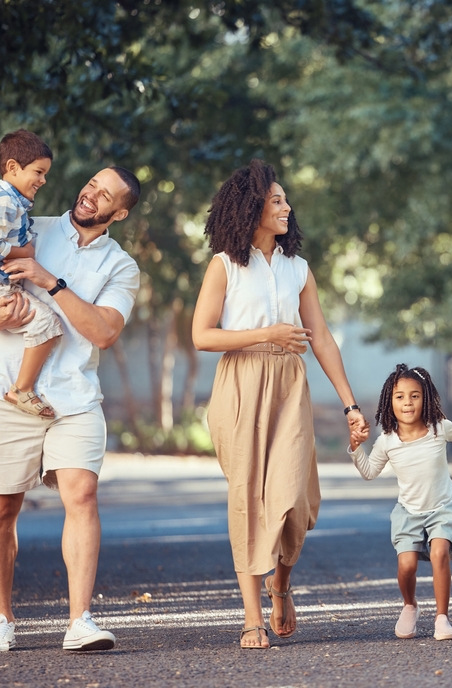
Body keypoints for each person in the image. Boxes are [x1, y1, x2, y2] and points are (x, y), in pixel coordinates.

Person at [0, 166, 143, 652]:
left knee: (81, 495)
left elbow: (103, 330)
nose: (90, 195)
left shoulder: (121, 267)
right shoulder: (27, 226)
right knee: (1, 507)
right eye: (91, 185)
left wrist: (49, 281)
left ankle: (80, 620)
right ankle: (2, 620)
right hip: (6, 388)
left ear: (118, 213)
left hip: (74, 397)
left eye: (105, 196)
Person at [191, 160, 369, 650]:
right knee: (248, 498)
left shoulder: (298, 268)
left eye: (286, 199)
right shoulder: (225, 265)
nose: (287, 207)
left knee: (297, 502)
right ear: (251, 208)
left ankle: (281, 584)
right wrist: (266, 333)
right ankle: (251, 618)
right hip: (241, 383)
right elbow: (202, 335)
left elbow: (323, 339)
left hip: (291, 385)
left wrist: (351, 405)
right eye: (276, 200)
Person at [347, 363, 452, 641]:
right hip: (408, 512)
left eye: (415, 395)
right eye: (400, 397)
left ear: (426, 399)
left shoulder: (438, 428)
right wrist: (355, 446)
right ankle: (410, 605)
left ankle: (442, 618)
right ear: (390, 402)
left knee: (439, 553)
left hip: (442, 508)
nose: (408, 402)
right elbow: (369, 472)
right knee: (407, 565)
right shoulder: (387, 441)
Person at [0, 130, 63, 419]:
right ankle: (22, 389)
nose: (43, 180)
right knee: (47, 323)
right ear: (12, 167)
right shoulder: (5, 202)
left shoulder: (6, 201)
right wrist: (26, 253)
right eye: (38, 172)